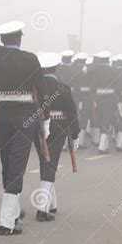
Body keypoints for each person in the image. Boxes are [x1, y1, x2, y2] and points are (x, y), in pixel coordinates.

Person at [0, 21, 48, 235]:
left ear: (2, 39)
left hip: (2, 113)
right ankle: (6, 222)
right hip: (25, 114)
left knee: (7, 162)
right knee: (17, 163)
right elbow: (42, 90)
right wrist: (45, 119)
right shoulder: (30, 59)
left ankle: (12, 214)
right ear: (19, 38)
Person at [33, 53, 79, 221]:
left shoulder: (35, 87)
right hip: (59, 125)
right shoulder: (62, 87)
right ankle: (42, 208)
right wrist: (75, 133)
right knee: (50, 163)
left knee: (45, 162)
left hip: (38, 125)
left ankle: (51, 205)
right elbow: (72, 112)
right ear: (55, 67)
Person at [90, 51, 120, 154]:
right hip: (110, 100)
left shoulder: (94, 71)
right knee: (107, 122)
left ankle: (103, 145)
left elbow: (92, 87)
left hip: (98, 99)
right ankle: (102, 147)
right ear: (108, 59)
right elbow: (117, 87)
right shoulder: (114, 71)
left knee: (100, 120)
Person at [70, 52, 93, 149]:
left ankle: (72, 142)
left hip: (73, 97)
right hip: (85, 98)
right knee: (83, 119)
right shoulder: (89, 70)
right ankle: (80, 142)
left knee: (73, 119)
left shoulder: (72, 69)